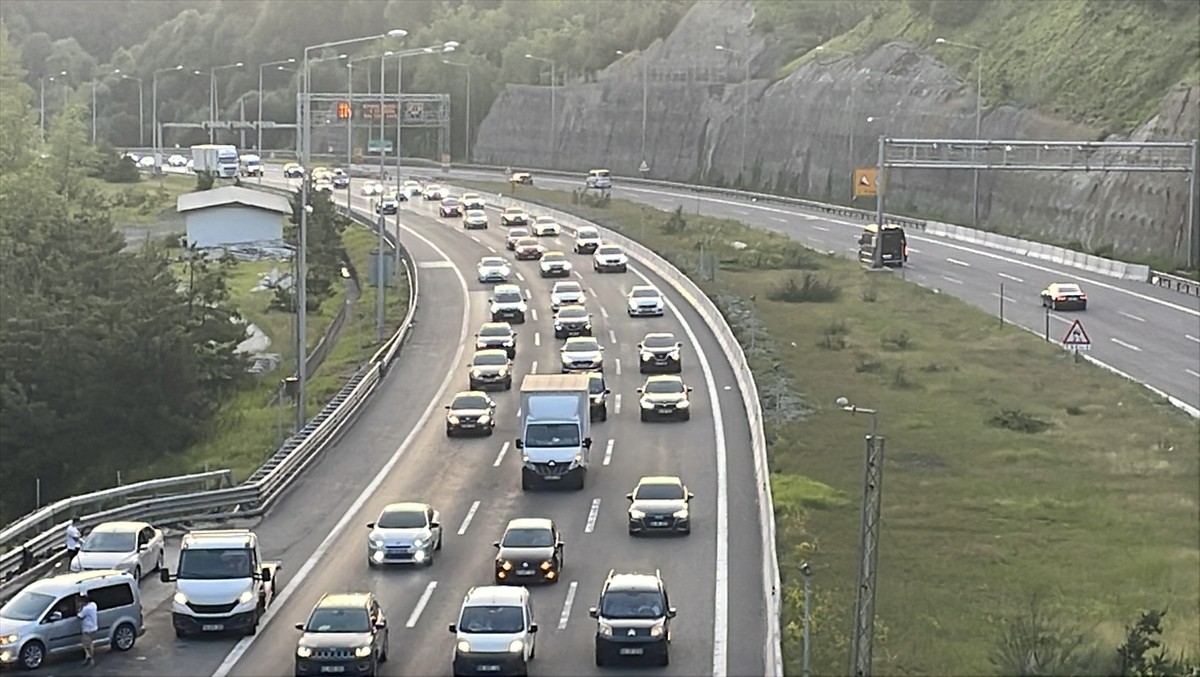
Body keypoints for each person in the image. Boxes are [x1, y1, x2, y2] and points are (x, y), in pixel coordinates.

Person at [76, 591, 98, 667]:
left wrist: (79, 607)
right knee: (90, 643)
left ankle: (90, 658)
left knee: (86, 645)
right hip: (94, 627)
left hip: (87, 629)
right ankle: (88, 657)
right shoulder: (93, 605)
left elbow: (79, 616)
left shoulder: (85, 609)